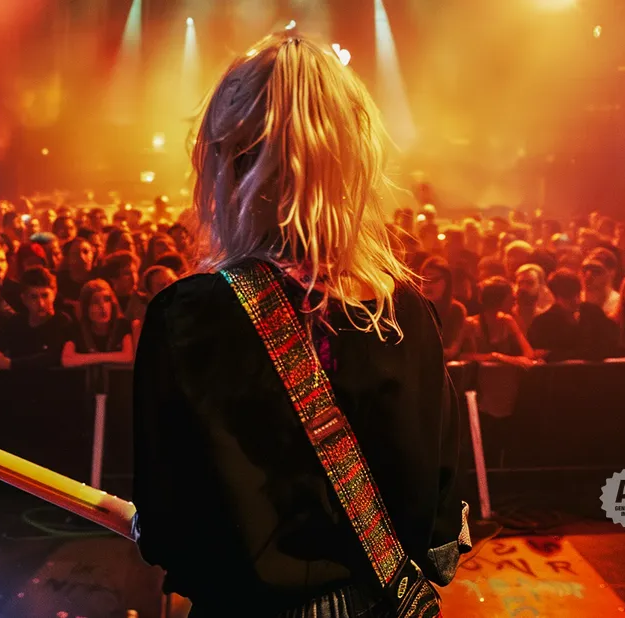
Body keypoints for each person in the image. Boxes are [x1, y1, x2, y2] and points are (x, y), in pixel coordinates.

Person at [132, 32, 467, 618]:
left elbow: (167, 531)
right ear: (351, 160)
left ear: (227, 161)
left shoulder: (186, 317)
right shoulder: (407, 312)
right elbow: (440, 525)